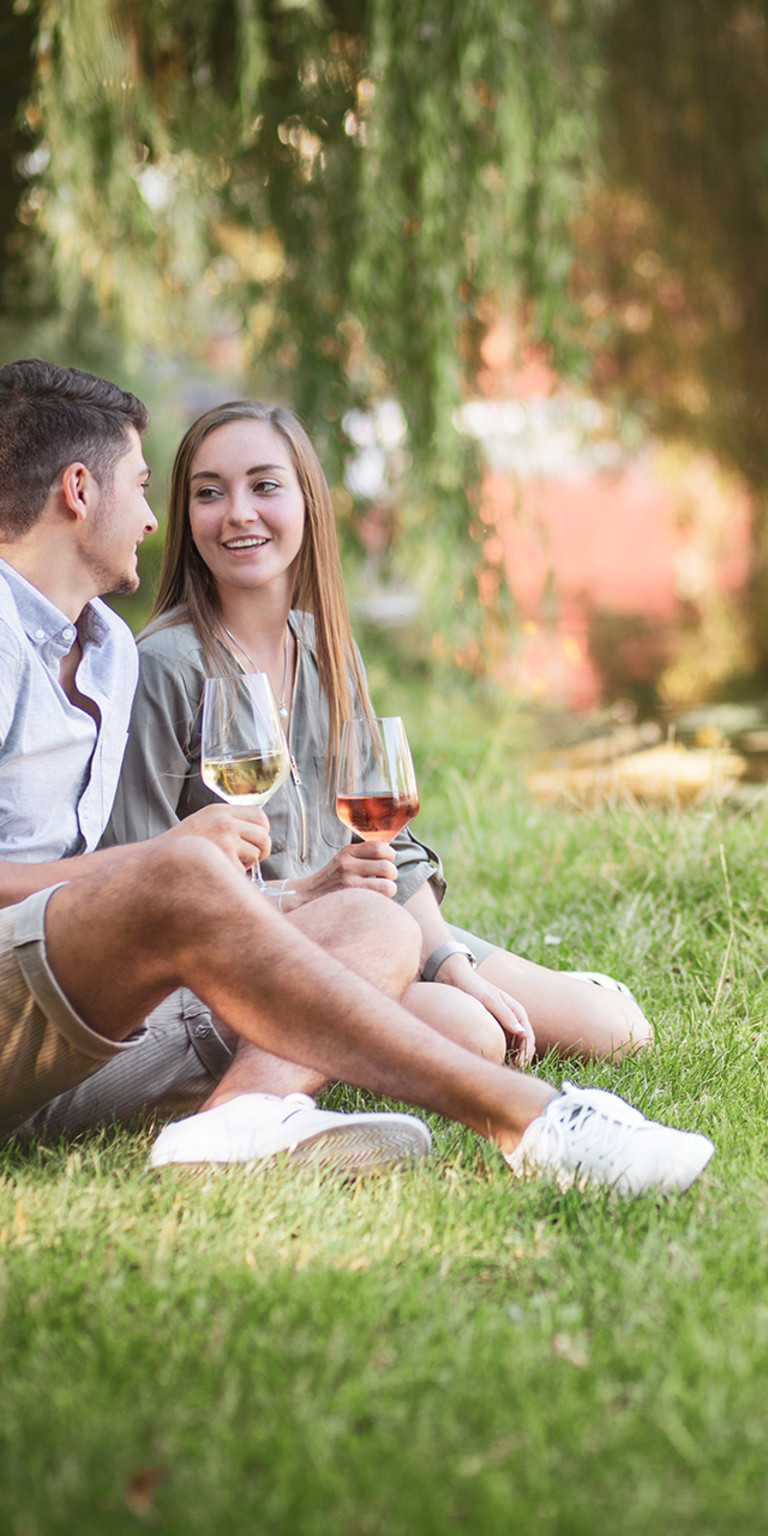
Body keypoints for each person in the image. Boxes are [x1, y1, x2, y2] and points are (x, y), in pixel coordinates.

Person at [0, 360, 713, 1196]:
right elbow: (138, 875)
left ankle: (236, 1123)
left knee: (377, 926)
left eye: (265, 486)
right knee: (441, 1016)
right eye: (152, 487)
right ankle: (539, 1121)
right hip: (62, 980)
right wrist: (174, 865)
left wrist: (354, 916)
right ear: (80, 490)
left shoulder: (107, 649)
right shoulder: (144, 657)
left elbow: (366, 852)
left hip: (91, 986)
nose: (155, 518)